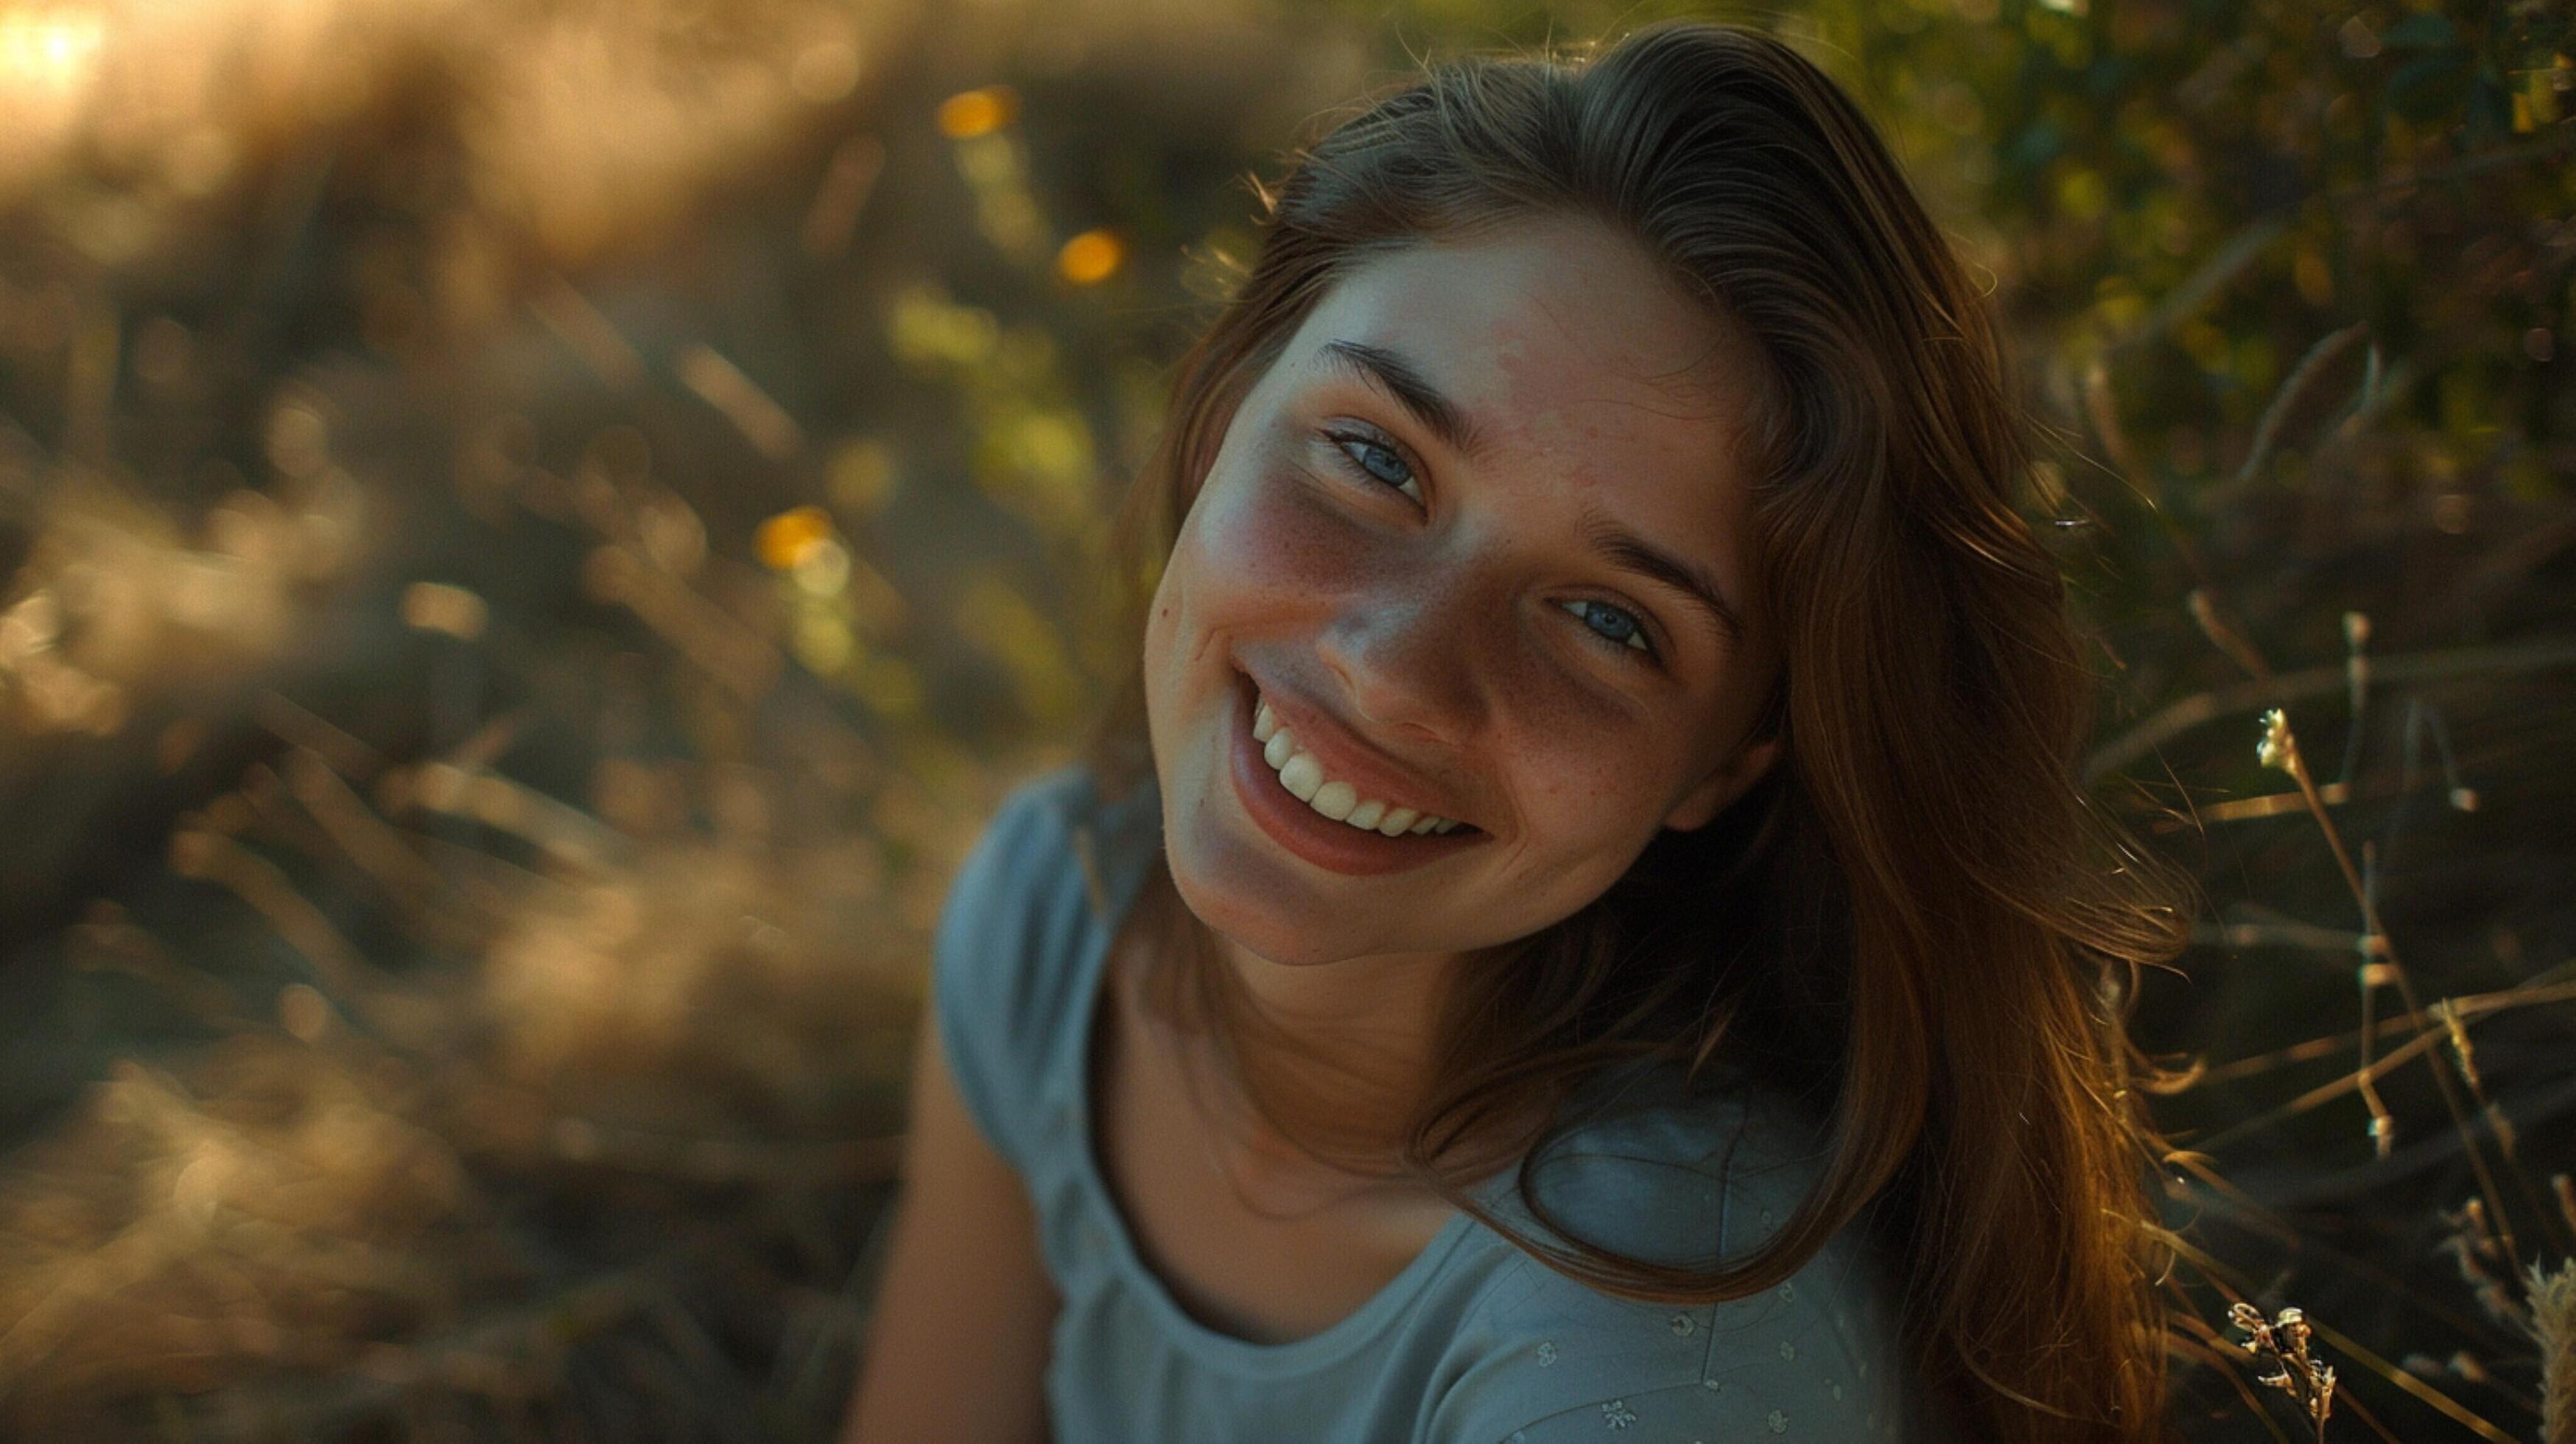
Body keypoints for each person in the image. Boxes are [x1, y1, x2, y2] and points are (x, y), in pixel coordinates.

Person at [844, 19, 2190, 1444]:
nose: (1394, 672)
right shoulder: (1055, 910)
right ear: (1220, 417)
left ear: (1728, 765)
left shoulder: (1653, 1365)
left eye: (1609, 621)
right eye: (1373, 459)